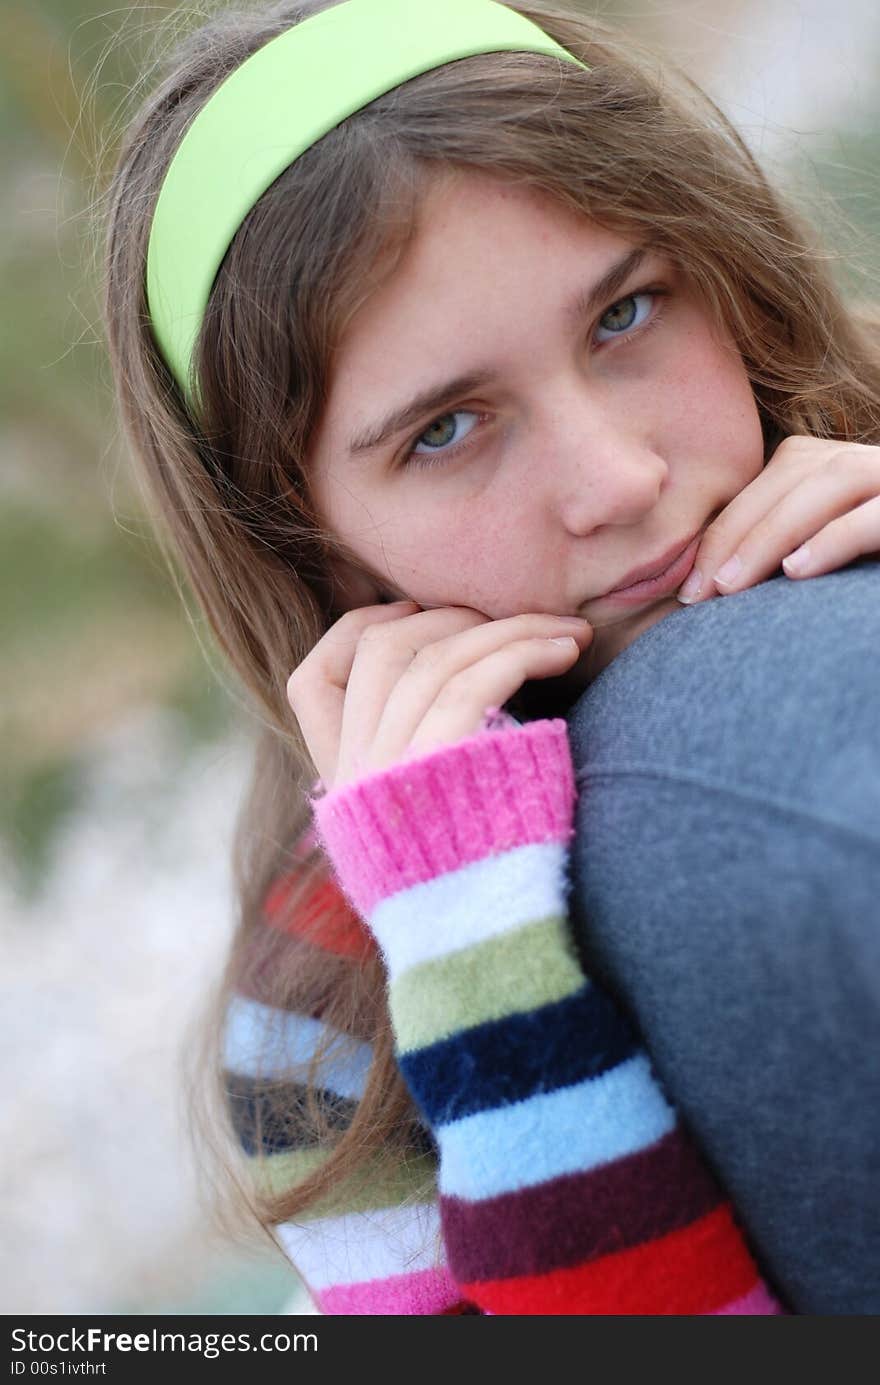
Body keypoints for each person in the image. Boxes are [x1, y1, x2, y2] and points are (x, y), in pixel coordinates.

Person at [99, 0, 880, 1313]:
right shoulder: (318, 1012)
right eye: (449, 428)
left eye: (626, 313)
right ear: (307, 539)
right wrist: (462, 925)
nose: (620, 479)